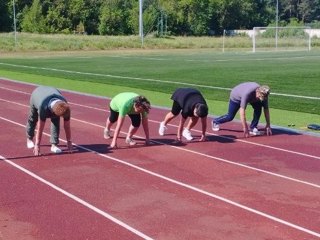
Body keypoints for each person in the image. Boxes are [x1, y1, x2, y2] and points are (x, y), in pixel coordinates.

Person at [26, 86, 72, 156]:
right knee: (33, 118)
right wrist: (37, 145)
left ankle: (54, 145)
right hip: (37, 95)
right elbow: (40, 128)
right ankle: (29, 138)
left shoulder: (65, 107)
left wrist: (69, 141)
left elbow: (67, 126)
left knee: (56, 121)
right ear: (53, 111)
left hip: (52, 94)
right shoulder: (43, 107)